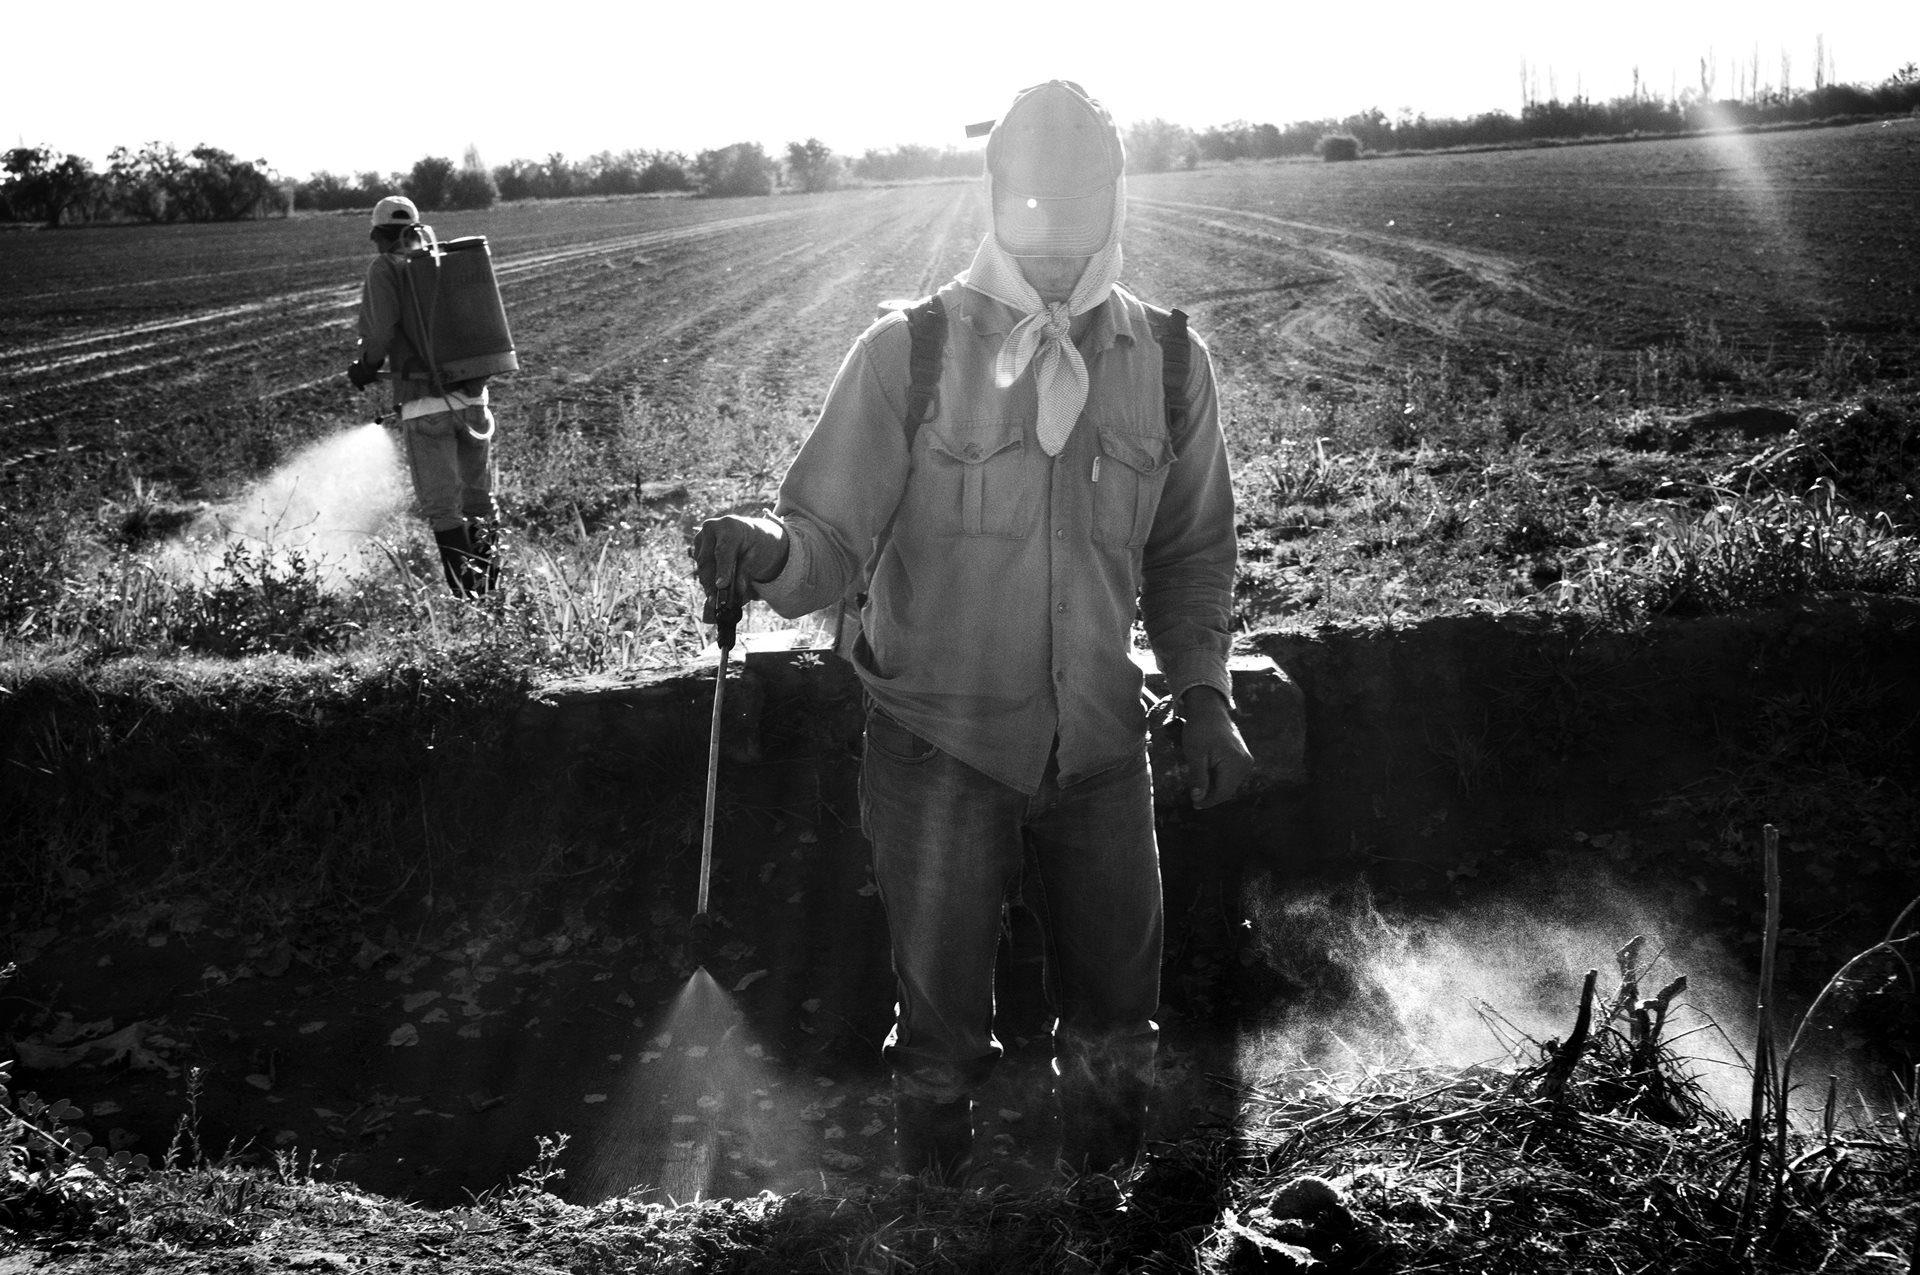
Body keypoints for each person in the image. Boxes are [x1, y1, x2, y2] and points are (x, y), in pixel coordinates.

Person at [692, 80, 1254, 1181]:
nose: (1056, 227)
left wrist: (1206, 697)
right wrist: (766, 549)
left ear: (1115, 195)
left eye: (1081, 198)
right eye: (1034, 197)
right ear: (997, 193)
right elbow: (826, 541)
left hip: (1100, 747)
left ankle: (1101, 1214)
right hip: (937, 752)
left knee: (1117, 1029)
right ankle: (936, 1220)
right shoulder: (911, 354)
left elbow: (1191, 555)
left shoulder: (1172, 364)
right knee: (943, 1036)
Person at [347, 194, 500, 596]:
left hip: (426, 407)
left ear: (377, 234)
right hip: (473, 402)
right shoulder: (442, 265)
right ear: (415, 229)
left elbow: (379, 335)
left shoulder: (386, 268)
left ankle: (471, 602)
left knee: (444, 511)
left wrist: (364, 367)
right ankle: (495, 600)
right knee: (479, 504)